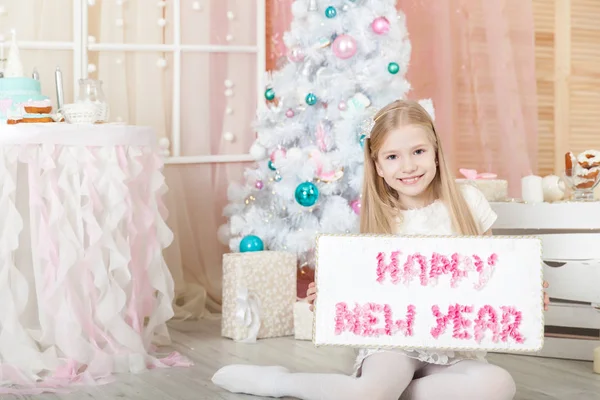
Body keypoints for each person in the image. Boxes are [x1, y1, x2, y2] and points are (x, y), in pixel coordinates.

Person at [212, 99, 550, 400]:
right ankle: (281, 383)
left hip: (453, 343)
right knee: (374, 389)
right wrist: (328, 299)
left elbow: (493, 275)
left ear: (435, 152)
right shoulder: (383, 219)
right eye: (392, 157)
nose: (408, 166)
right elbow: (361, 290)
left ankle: (383, 395)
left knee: (499, 386)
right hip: (393, 342)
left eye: (418, 152)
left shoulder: (468, 203)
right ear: (378, 167)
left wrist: (524, 293)